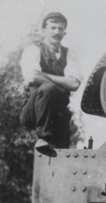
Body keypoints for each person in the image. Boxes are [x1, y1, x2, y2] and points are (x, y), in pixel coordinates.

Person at [20, 12, 82, 152]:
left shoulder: (69, 54)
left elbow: (74, 84)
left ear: (64, 33)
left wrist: (45, 76)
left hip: (58, 113)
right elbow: (33, 77)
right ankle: (44, 137)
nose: (57, 32)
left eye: (60, 29)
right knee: (48, 89)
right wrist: (61, 83)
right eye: (53, 28)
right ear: (44, 30)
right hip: (34, 109)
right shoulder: (33, 50)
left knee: (62, 154)